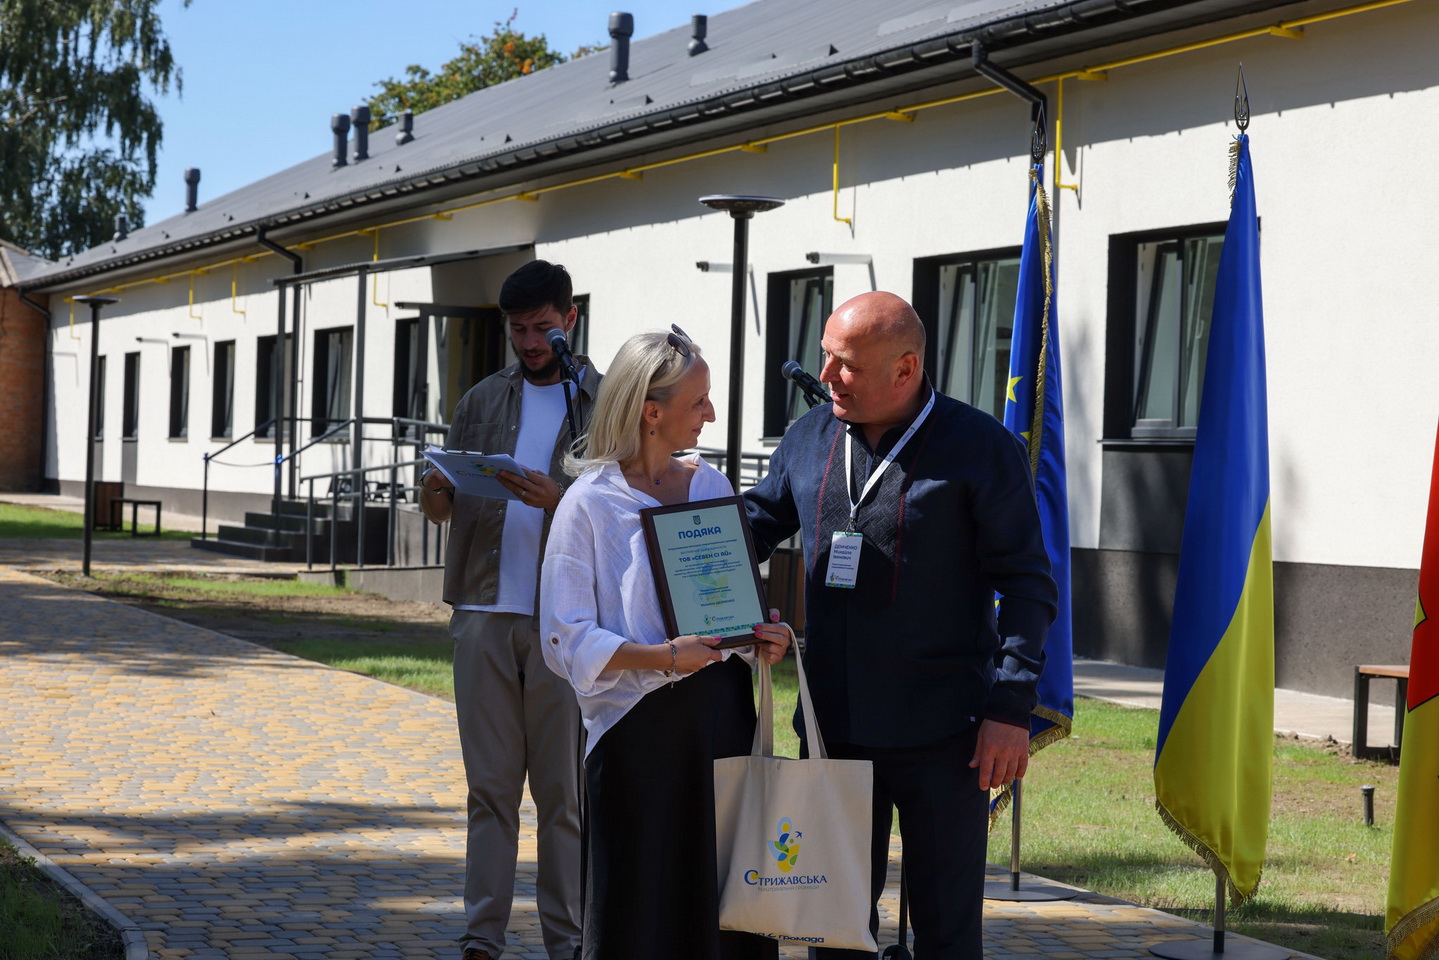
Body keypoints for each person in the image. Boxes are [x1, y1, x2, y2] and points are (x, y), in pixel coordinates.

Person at [743, 291, 1057, 960]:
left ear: (905, 369)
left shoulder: (979, 449)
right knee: (832, 930)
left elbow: (1027, 586)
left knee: (944, 932)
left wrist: (1010, 706)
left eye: (844, 366)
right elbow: (748, 530)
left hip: (947, 736)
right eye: (825, 358)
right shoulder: (808, 436)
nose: (824, 378)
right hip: (833, 732)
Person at [539, 328, 790, 960]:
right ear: (651, 411)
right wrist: (662, 659)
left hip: (722, 720)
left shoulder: (712, 486)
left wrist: (763, 633)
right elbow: (565, 637)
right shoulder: (588, 503)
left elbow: (731, 605)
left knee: (729, 904)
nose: (711, 413)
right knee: (639, 912)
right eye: (700, 400)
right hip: (637, 731)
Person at [419, 260, 598, 960]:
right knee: (488, 790)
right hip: (485, 612)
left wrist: (561, 501)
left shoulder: (602, 400)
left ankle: (570, 939)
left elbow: (621, 513)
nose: (528, 341)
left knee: (564, 799)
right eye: (517, 329)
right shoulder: (481, 399)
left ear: (569, 320)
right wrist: (437, 488)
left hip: (566, 620)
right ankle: (481, 937)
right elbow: (438, 507)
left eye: (542, 328)